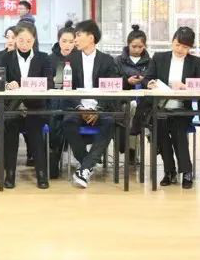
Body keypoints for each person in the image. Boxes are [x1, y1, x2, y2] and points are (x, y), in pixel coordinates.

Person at [144, 26, 200, 189]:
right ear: (172, 42)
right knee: (161, 131)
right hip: (160, 107)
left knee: (179, 131)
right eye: (177, 45)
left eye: (185, 47)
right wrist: (150, 83)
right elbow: (147, 78)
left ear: (190, 48)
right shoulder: (159, 57)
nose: (180, 49)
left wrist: (186, 86)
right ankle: (169, 171)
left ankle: (186, 171)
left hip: (181, 109)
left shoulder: (194, 62)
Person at [63, 19, 119, 189]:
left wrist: (97, 109)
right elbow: (67, 89)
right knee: (68, 121)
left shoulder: (107, 61)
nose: (75, 40)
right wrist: (80, 108)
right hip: (77, 108)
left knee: (110, 122)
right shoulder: (71, 59)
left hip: (99, 108)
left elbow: (111, 89)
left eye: (79, 35)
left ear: (91, 38)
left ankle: (85, 167)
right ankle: (87, 165)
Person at [1, 23, 54, 189]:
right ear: (15, 38)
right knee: (10, 131)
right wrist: (8, 84)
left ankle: (41, 174)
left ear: (34, 40)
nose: (24, 44)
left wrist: (28, 84)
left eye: (29, 41)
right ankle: (10, 174)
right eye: (21, 40)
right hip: (13, 107)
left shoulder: (43, 58)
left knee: (36, 134)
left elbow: (50, 82)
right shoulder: (5, 57)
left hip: (35, 107)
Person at [114, 24, 151, 161]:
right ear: (128, 44)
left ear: (145, 46)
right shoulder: (118, 61)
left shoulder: (150, 62)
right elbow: (113, 80)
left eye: (140, 47)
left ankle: (132, 151)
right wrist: (127, 81)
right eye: (134, 46)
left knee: (140, 111)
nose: (137, 50)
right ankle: (130, 150)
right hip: (123, 100)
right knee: (130, 111)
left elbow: (154, 80)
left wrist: (144, 81)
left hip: (144, 101)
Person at [47, 21, 77, 178]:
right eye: (64, 41)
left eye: (71, 42)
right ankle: (53, 156)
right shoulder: (50, 59)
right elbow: (45, 84)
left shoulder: (80, 59)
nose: (67, 45)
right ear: (58, 41)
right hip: (54, 102)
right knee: (56, 109)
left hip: (76, 102)